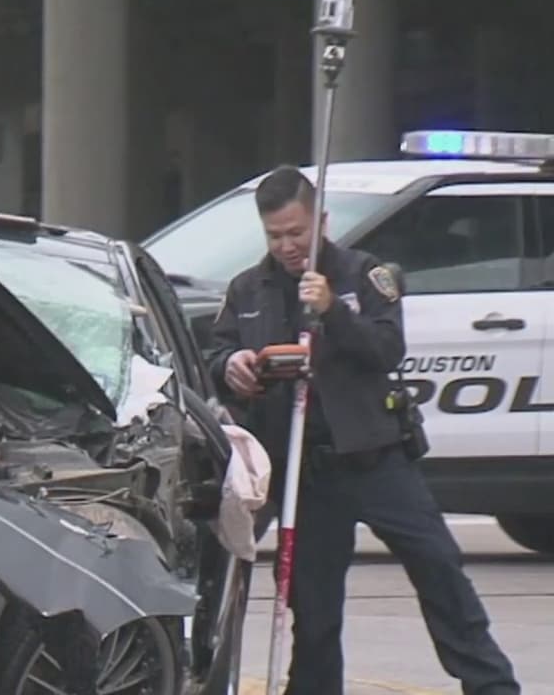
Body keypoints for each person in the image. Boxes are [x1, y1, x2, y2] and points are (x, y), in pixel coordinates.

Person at [206, 165, 520, 695]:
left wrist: (332, 312)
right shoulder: (247, 289)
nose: (287, 246)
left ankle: (491, 686)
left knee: (440, 570)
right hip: (305, 473)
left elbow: (386, 349)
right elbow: (216, 353)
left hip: (377, 459)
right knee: (314, 606)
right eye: (276, 235)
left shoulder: (363, 274)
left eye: (297, 233)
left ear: (320, 221)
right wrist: (230, 365)